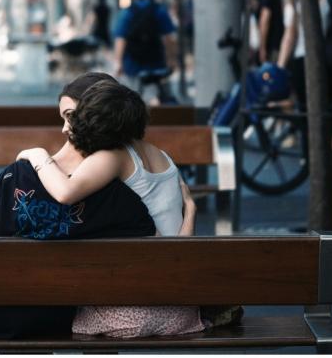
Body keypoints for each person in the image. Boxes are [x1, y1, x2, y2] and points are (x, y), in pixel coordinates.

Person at [17, 76, 214, 338]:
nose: (66, 128)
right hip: (181, 310)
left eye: (74, 117)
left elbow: (65, 192)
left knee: (53, 309)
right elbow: (180, 249)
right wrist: (190, 212)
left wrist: (38, 155)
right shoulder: (162, 156)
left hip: (135, 312)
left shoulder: (114, 157)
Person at [276, 0, 332, 164]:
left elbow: (290, 36)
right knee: (327, 104)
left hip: (301, 60)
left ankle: (312, 155)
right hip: (328, 60)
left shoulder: (294, 2)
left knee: (305, 108)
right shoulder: (326, 0)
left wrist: (279, 64)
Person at [113, 0, 177, 103]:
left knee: (132, 98)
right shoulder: (159, 10)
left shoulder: (127, 13)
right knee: (157, 94)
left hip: (132, 63)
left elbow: (121, 39)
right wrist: (171, 59)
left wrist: (118, 62)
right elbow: (169, 38)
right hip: (156, 61)